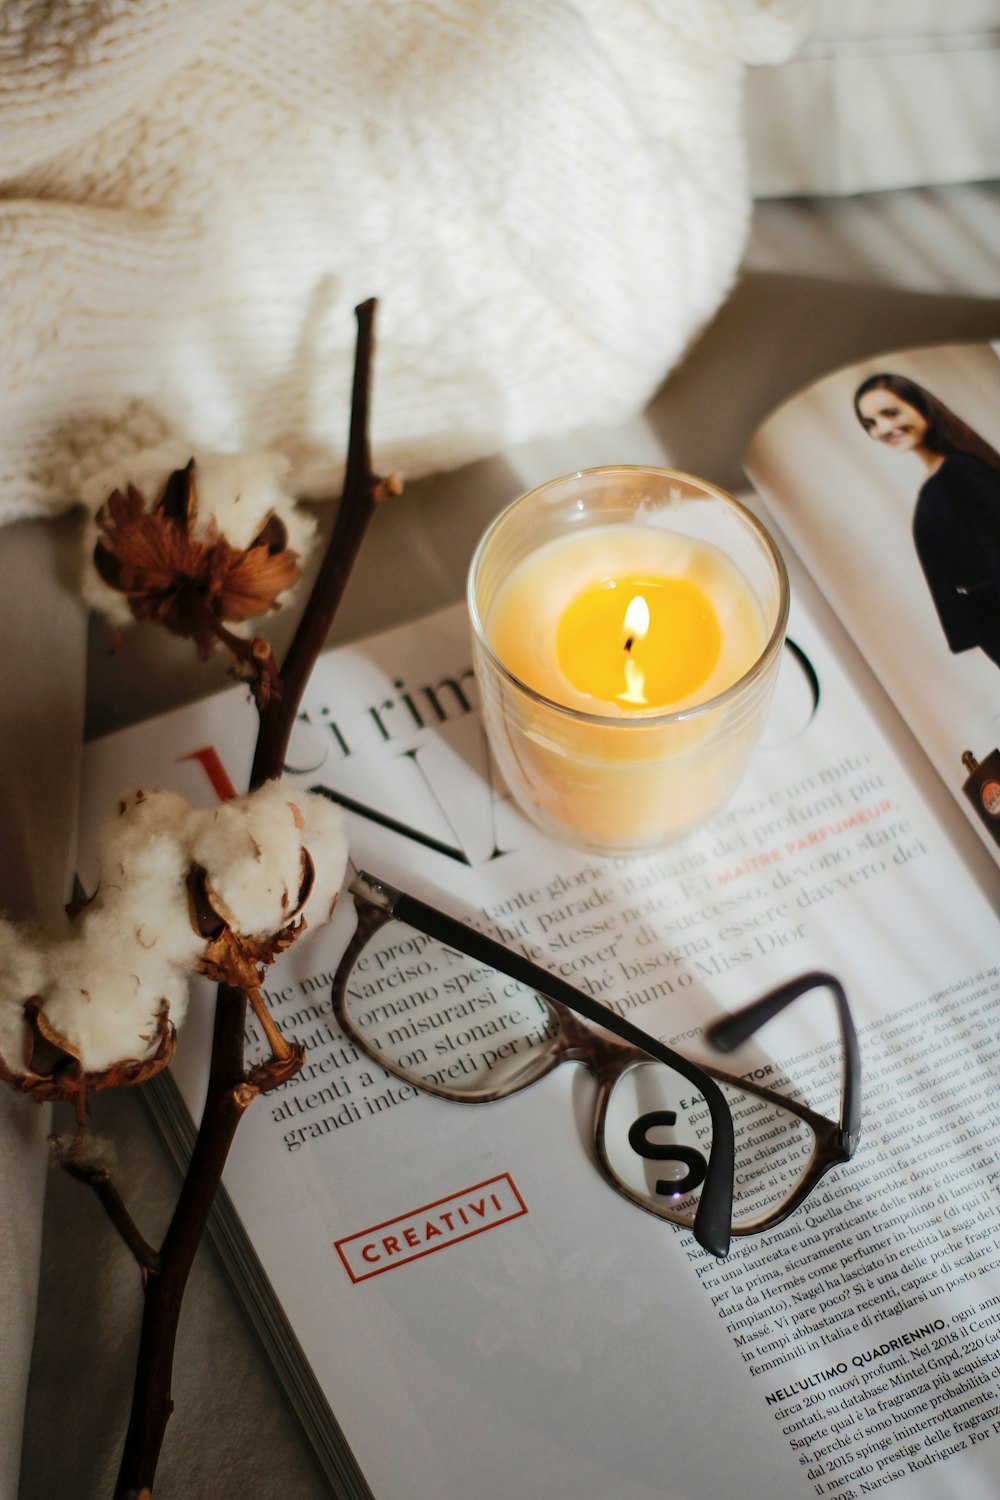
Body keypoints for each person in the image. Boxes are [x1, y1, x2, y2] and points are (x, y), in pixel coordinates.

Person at [854, 372, 1000, 669]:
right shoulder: (937, 483)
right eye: (870, 424)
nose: (882, 428)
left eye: (890, 413)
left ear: (923, 407)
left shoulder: (960, 471)